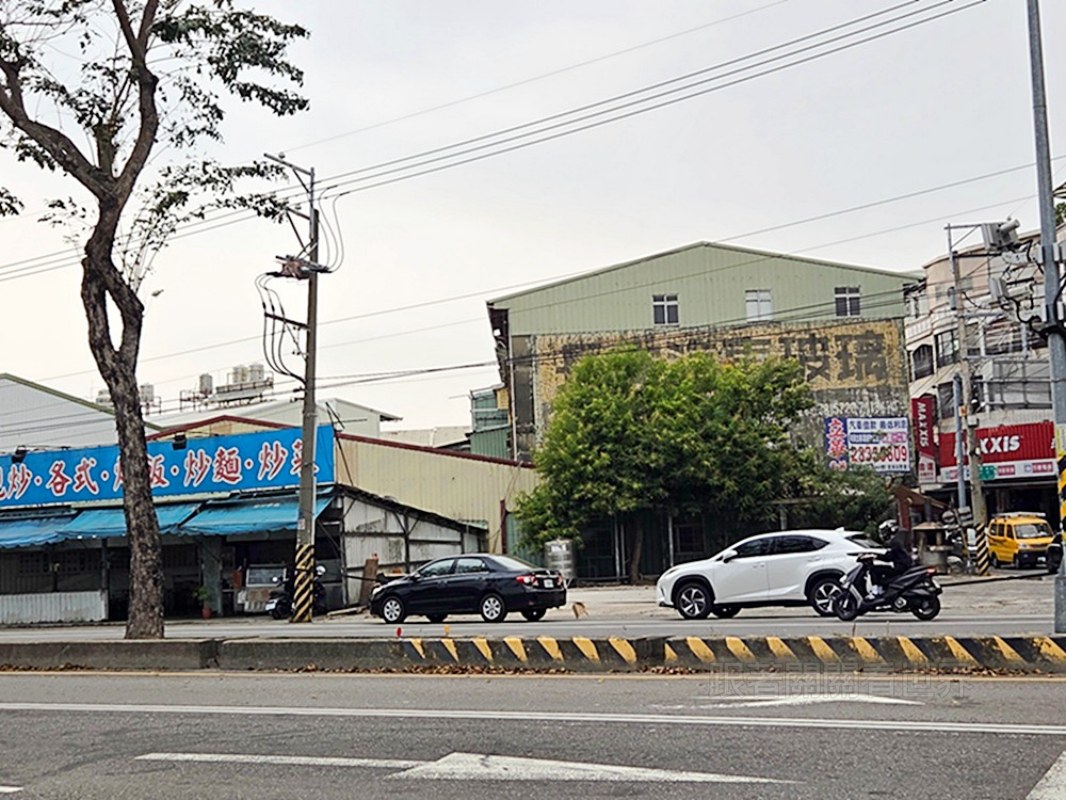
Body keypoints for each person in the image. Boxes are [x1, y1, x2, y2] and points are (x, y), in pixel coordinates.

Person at [867, 524, 914, 598]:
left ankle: (877, 591)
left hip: (900, 567)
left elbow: (889, 556)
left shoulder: (895, 542)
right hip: (904, 566)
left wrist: (875, 556)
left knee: (875, 569)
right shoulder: (898, 541)